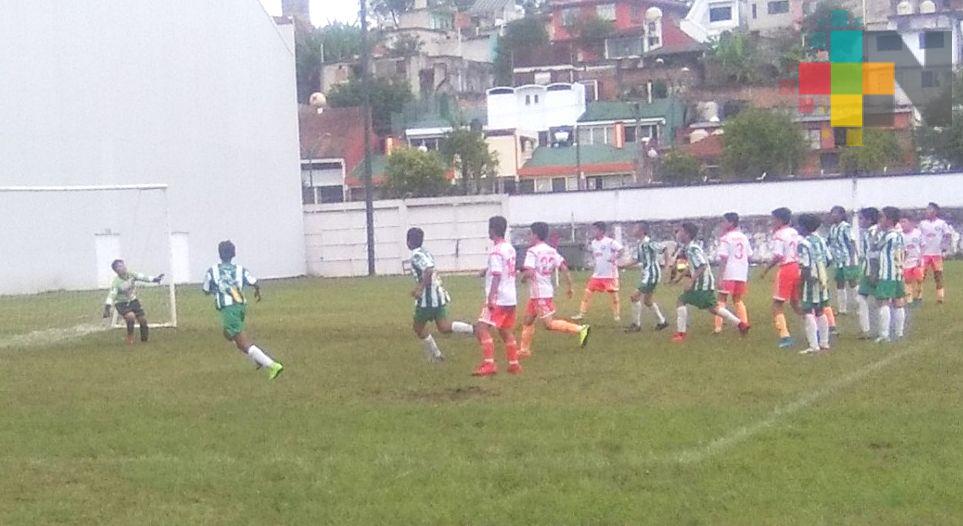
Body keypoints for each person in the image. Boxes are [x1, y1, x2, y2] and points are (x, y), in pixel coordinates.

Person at [202, 240, 284, 380]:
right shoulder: (240, 269)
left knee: (242, 342)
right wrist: (257, 292)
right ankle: (257, 358)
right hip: (240, 306)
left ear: (219, 254)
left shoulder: (212, 271)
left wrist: (218, 290)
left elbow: (205, 290)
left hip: (228, 308)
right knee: (228, 334)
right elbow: (254, 282)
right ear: (233, 254)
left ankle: (272, 365)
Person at [519, 222, 591, 358]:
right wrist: (570, 286)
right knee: (528, 320)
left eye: (530, 233)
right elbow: (564, 267)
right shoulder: (551, 250)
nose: (529, 236)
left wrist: (522, 279)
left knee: (549, 324)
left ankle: (581, 329)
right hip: (542, 292)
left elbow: (529, 272)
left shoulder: (532, 251)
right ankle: (524, 350)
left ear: (535, 234)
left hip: (540, 293)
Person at [671, 223, 750, 343]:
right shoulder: (690, 248)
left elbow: (701, 265)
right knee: (714, 308)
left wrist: (691, 282)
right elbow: (693, 266)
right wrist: (679, 278)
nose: (678, 233)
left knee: (681, 300)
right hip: (706, 283)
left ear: (687, 234)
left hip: (701, 284)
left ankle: (681, 334)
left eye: (680, 231)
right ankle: (741, 325)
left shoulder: (692, 249)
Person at [406, 227, 475, 363]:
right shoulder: (425, 252)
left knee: (418, 327)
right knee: (444, 327)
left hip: (428, 299)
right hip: (438, 296)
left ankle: (436, 355)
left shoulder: (416, 255)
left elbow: (428, 270)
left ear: (408, 241)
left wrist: (419, 289)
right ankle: (473, 329)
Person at [473, 216, 521, 376]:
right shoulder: (509, 248)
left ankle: (489, 364)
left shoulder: (495, 251)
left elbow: (497, 274)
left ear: (492, 230)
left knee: (481, 328)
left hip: (499, 297)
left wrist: (491, 298)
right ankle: (514, 364)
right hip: (511, 297)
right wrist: (484, 271)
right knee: (505, 330)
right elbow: (504, 269)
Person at [761, 207, 801, 349]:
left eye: (773, 219)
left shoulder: (779, 235)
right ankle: (815, 327)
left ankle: (785, 336)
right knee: (796, 303)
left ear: (779, 220)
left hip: (786, 268)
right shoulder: (795, 232)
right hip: (797, 267)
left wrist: (766, 269)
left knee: (777, 304)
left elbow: (778, 255)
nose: (772, 222)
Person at [620, 222, 669, 333]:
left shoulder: (649, 243)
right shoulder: (640, 244)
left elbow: (664, 249)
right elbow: (636, 259)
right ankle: (662, 322)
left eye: (635, 228)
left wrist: (667, 266)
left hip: (651, 275)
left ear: (641, 231)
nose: (633, 230)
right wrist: (622, 265)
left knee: (634, 297)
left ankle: (636, 325)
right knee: (647, 301)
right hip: (647, 274)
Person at [102, 259, 164, 345]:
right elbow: (111, 295)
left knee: (143, 320)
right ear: (116, 271)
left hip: (133, 301)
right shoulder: (116, 283)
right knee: (131, 317)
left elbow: (142, 277)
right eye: (119, 266)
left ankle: (144, 341)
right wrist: (107, 308)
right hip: (121, 303)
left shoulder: (131, 275)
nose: (123, 267)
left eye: (123, 265)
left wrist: (155, 279)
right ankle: (130, 336)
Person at [796, 214, 832, 355]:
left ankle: (814, 345)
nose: (798, 228)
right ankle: (824, 342)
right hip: (822, 278)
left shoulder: (804, 243)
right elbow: (829, 259)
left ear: (804, 227)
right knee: (820, 309)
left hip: (810, 279)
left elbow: (805, 265)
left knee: (807, 310)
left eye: (799, 225)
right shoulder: (821, 240)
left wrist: (802, 283)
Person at [574, 222, 624, 322]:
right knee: (587, 293)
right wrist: (584, 249)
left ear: (601, 231)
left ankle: (616, 315)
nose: (593, 232)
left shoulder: (610, 242)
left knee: (614, 296)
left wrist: (614, 257)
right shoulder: (593, 243)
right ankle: (581, 313)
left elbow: (621, 250)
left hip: (610, 274)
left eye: (595, 230)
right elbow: (594, 253)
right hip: (597, 275)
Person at [714, 212, 753, 334]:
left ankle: (718, 327)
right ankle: (744, 323)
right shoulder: (743, 237)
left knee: (721, 300)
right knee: (737, 300)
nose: (722, 224)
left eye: (724, 221)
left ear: (730, 223)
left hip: (729, 272)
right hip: (741, 273)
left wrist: (720, 276)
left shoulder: (726, 238)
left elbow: (724, 258)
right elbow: (750, 256)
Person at [875, 207, 907, 343]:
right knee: (898, 301)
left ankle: (884, 335)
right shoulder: (900, 235)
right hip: (898, 272)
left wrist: (876, 232)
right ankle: (899, 333)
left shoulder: (888, 235)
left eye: (881, 217)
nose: (879, 220)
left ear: (889, 220)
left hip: (887, 273)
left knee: (884, 301)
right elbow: (905, 252)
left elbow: (874, 247)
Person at [918, 202, 956, 303]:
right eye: (926, 209)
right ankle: (918, 296)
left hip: (936, 254)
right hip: (925, 254)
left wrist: (944, 248)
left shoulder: (941, 223)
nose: (927, 211)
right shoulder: (922, 224)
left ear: (935, 211)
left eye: (929, 209)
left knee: (938, 275)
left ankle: (940, 298)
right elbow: (918, 237)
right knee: (921, 275)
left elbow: (947, 235)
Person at [827, 205, 860, 315]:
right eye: (832, 213)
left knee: (852, 282)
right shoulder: (832, 228)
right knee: (840, 283)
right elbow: (829, 242)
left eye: (835, 213)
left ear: (842, 215)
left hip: (847, 259)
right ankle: (842, 309)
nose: (833, 215)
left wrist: (852, 258)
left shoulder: (846, 227)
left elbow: (851, 242)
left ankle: (860, 306)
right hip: (837, 260)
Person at [856, 207, 882, 339]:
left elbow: (874, 253)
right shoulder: (869, 231)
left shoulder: (872, 232)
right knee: (865, 298)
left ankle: (874, 330)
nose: (859, 221)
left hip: (872, 270)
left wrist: (873, 271)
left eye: (861, 218)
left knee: (876, 300)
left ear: (869, 220)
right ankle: (874, 330)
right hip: (869, 269)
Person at [900, 216, 924, 305]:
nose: (902, 224)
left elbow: (922, 246)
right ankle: (909, 298)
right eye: (901, 222)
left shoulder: (918, 233)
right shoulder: (900, 235)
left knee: (919, 279)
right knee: (907, 280)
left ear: (910, 222)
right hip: (906, 262)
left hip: (917, 261)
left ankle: (919, 296)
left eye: (904, 222)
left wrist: (920, 258)